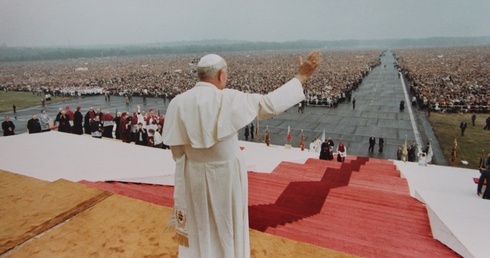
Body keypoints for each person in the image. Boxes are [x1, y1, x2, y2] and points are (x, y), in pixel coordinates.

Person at [162, 51, 321, 258]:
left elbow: (177, 152)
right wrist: (302, 76)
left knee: (200, 224)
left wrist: (198, 161)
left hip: (193, 177)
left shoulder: (177, 103)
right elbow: (269, 104)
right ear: (221, 75)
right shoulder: (229, 98)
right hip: (227, 179)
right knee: (228, 226)